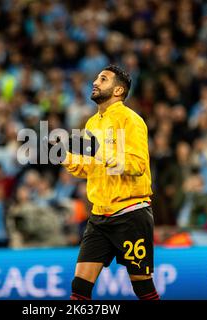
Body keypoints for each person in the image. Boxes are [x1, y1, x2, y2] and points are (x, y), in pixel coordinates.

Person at [51, 65, 159, 300]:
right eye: (97, 78)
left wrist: (101, 153)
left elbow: (138, 165)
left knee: (143, 288)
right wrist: (65, 157)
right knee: (79, 287)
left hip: (130, 213)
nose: (95, 82)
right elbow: (88, 168)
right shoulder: (91, 124)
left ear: (119, 90)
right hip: (100, 216)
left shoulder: (131, 120)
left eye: (103, 78)